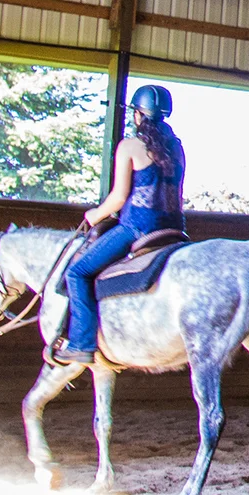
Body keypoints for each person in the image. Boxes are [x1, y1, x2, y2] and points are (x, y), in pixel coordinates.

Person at [50, 84, 187, 366]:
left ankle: (81, 342)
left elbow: (119, 197)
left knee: (78, 272)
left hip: (138, 228)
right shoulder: (178, 150)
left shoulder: (130, 146)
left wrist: (95, 215)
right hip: (175, 229)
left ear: (138, 115)